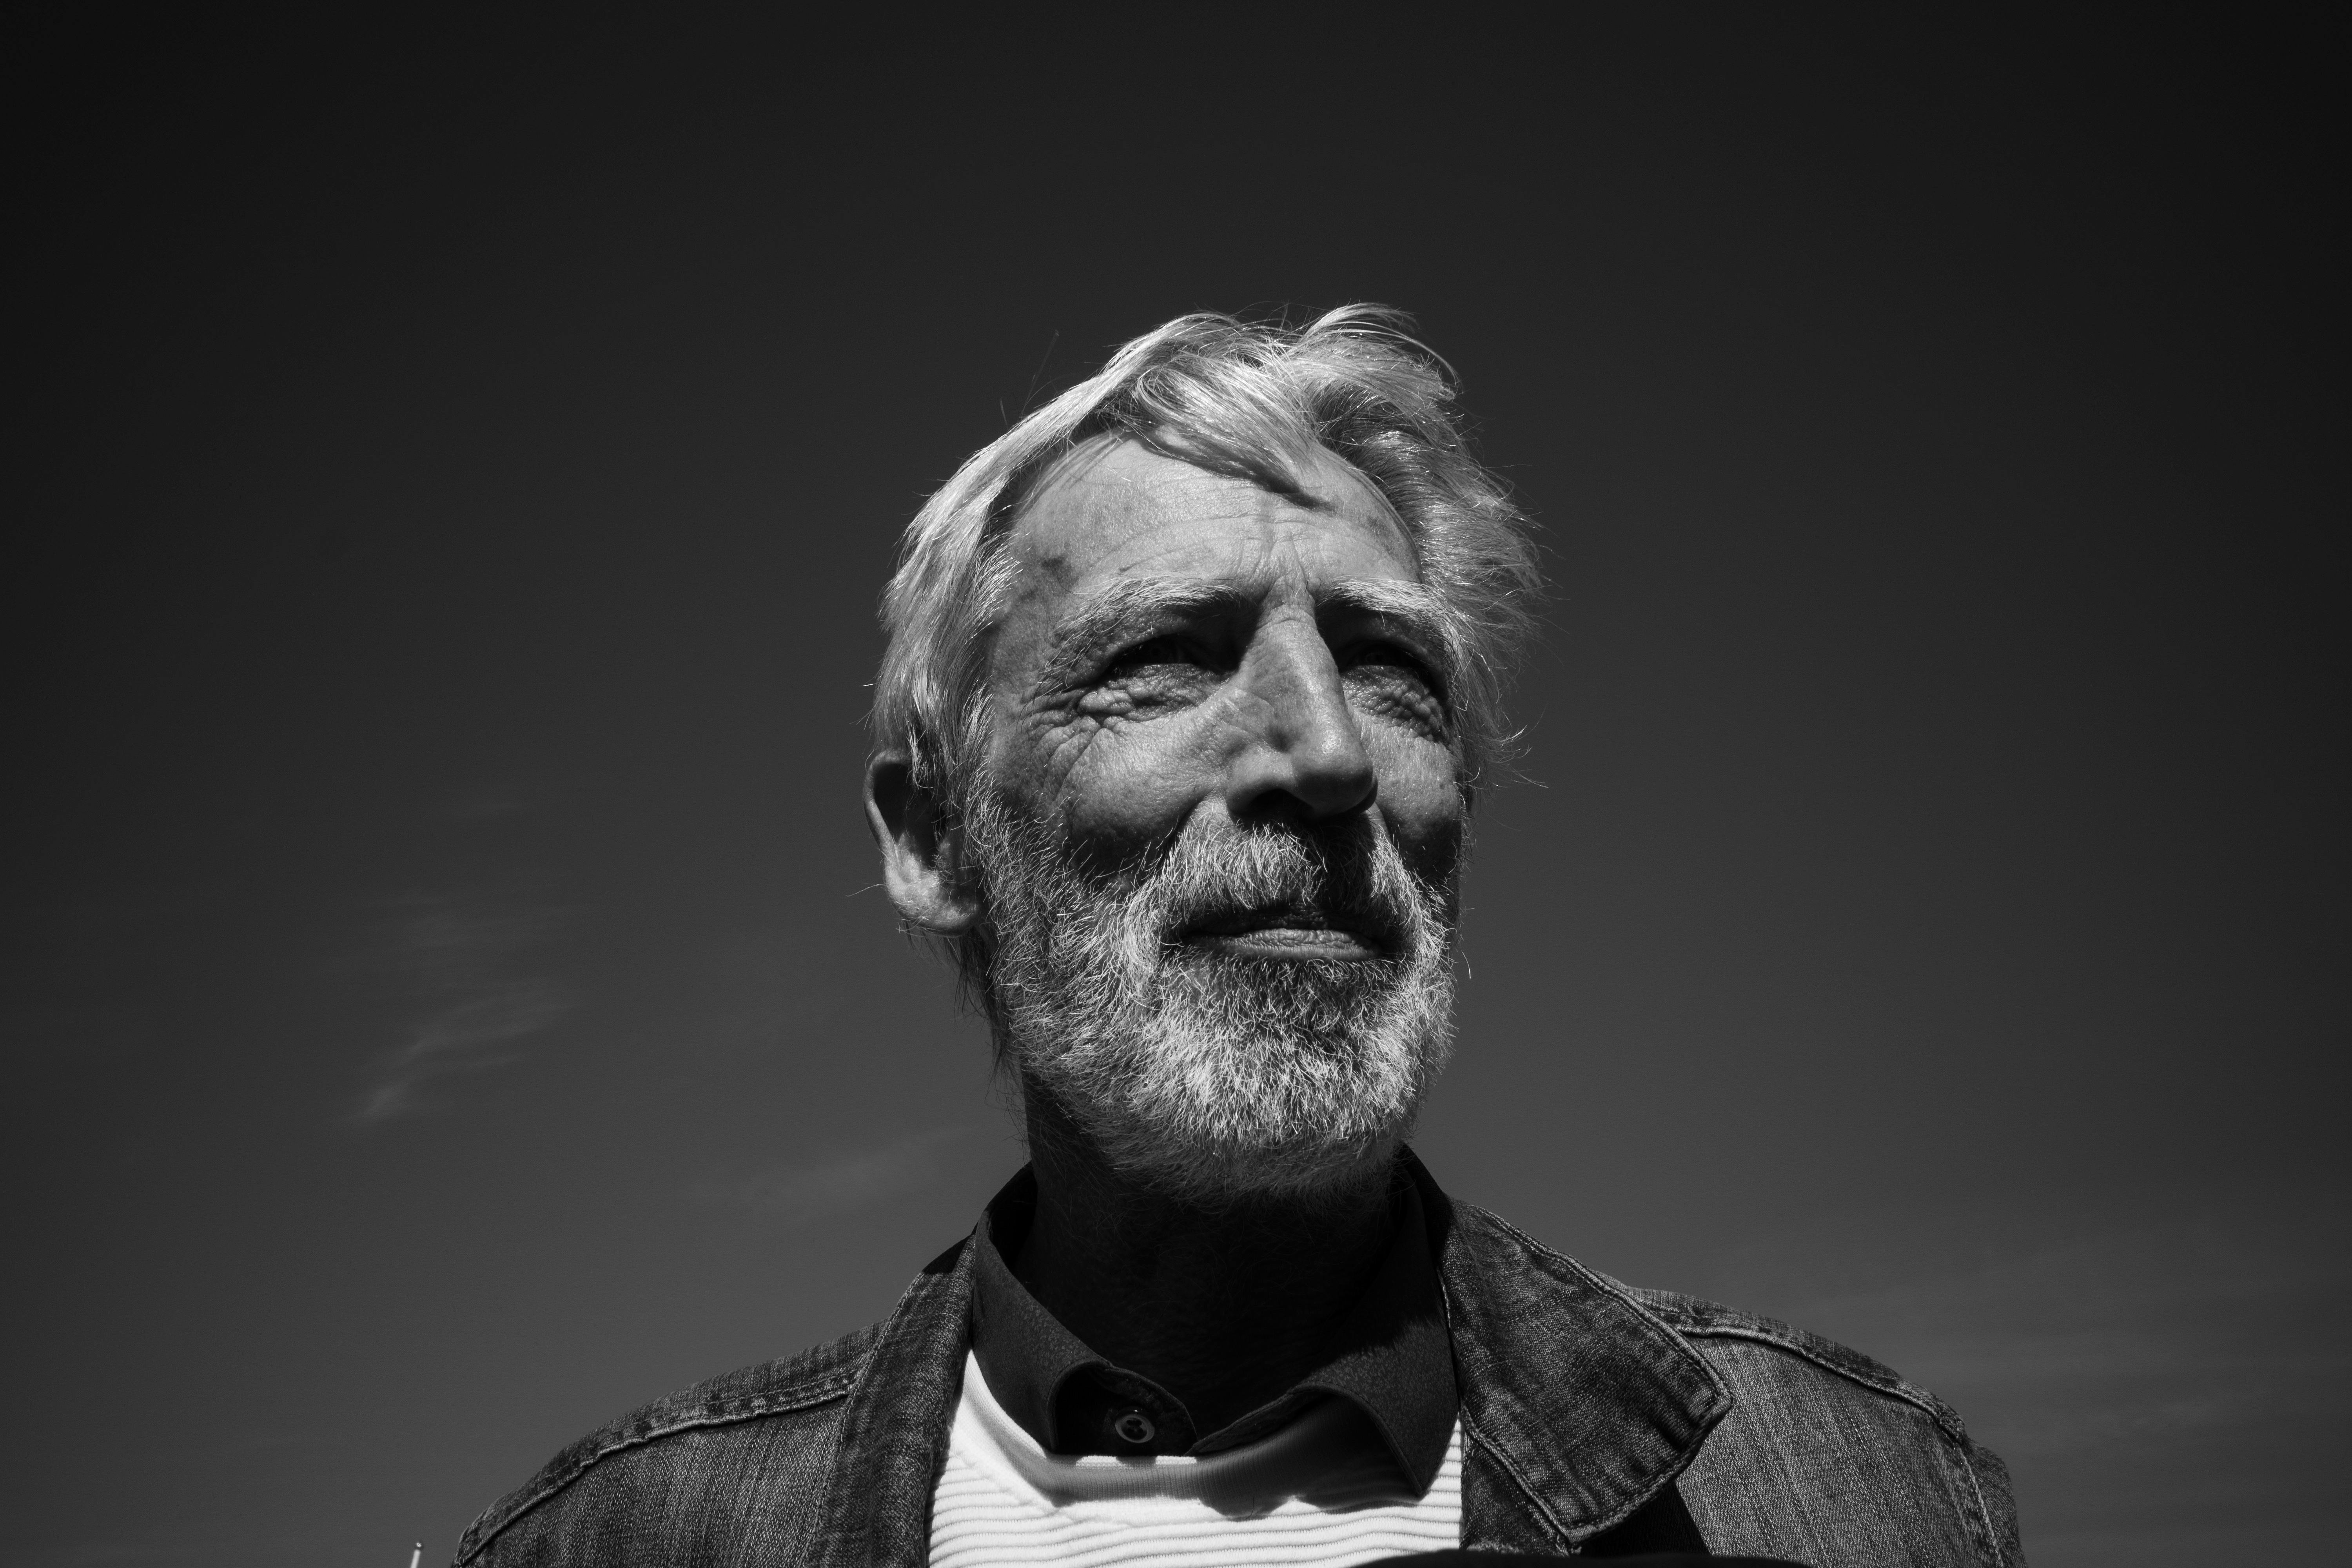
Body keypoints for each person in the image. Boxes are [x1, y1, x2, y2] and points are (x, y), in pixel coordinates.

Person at [453, 309, 2025, 1568]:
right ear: (934, 841)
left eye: (1392, 672)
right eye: (1165, 657)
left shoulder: (1863, 1500)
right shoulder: (609, 1542)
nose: (1327, 755)